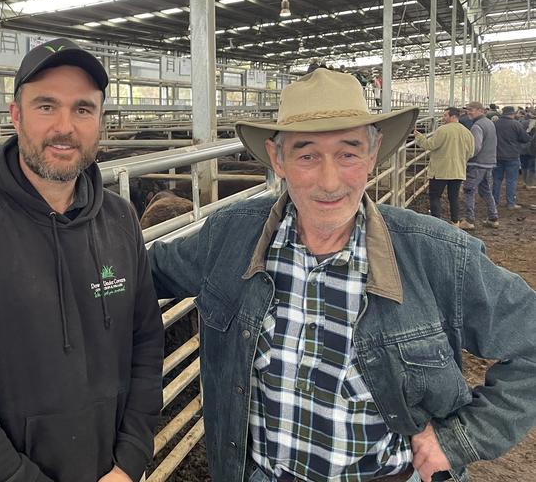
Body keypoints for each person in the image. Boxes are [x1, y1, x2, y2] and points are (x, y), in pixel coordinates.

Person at [149, 69, 536, 482]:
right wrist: (85, 252)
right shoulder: (231, 235)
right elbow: (142, 271)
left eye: (348, 153)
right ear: (278, 159)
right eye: (307, 155)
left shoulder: (437, 255)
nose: (330, 182)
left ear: (373, 156)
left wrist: (459, 439)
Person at [0, 38, 164, 482]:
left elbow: (146, 344)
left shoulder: (120, 219)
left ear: (100, 119)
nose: (65, 126)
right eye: (46, 106)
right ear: (15, 114)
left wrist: (131, 459)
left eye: (83, 109)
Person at [414, 107, 474, 225]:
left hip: (440, 170)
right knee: (453, 197)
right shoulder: (467, 132)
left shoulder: (443, 130)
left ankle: (436, 223)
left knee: (435, 196)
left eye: (445, 115)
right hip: (458, 170)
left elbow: (430, 145)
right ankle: (455, 222)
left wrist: (419, 137)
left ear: (452, 117)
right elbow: (471, 152)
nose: (443, 118)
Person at [458, 101, 500, 230]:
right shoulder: (490, 123)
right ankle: (493, 218)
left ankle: (469, 220)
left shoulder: (477, 126)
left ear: (480, 111)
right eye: (468, 110)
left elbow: (476, 147)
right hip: (489, 162)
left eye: (472, 110)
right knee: (486, 190)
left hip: (477, 163)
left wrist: (465, 157)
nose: (469, 112)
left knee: (469, 190)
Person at [492, 106, 531, 209]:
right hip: (512, 156)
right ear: (512, 114)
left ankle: (494, 202)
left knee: (496, 180)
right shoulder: (516, 124)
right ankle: (510, 203)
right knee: (511, 180)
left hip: (497, 156)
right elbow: (525, 139)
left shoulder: (495, 124)